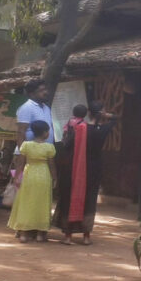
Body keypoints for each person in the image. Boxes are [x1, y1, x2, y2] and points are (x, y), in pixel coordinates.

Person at [52, 102, 117, 245]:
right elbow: (115, 119)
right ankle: (86, 237)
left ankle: (68, 236)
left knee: (71, 197)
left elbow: (66, 146)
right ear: (101, 114)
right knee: (89, 200)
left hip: (74, 169)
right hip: (93, 169)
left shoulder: (80, 128)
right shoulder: (102, 130)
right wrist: (107, 115)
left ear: (89, 114)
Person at [7, 120, 57, 243]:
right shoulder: (49, 147)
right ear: (45, 132)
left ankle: (23, 234)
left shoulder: (26, 145)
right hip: (44, 176)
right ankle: (40, 234)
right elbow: (52, 165)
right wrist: (55, 178)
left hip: (29, 174)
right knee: (43, 202)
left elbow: (20, 163)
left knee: (26, 202)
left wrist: (17, 177)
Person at [16, 78, 55, 146]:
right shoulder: (26, 108)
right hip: (31, 153)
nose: (45, 92)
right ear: (32, 94)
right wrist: (22, 153)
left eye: (45, 89)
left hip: (45, 151)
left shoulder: (46, 108)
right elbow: (21, 132)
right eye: (41, 91)